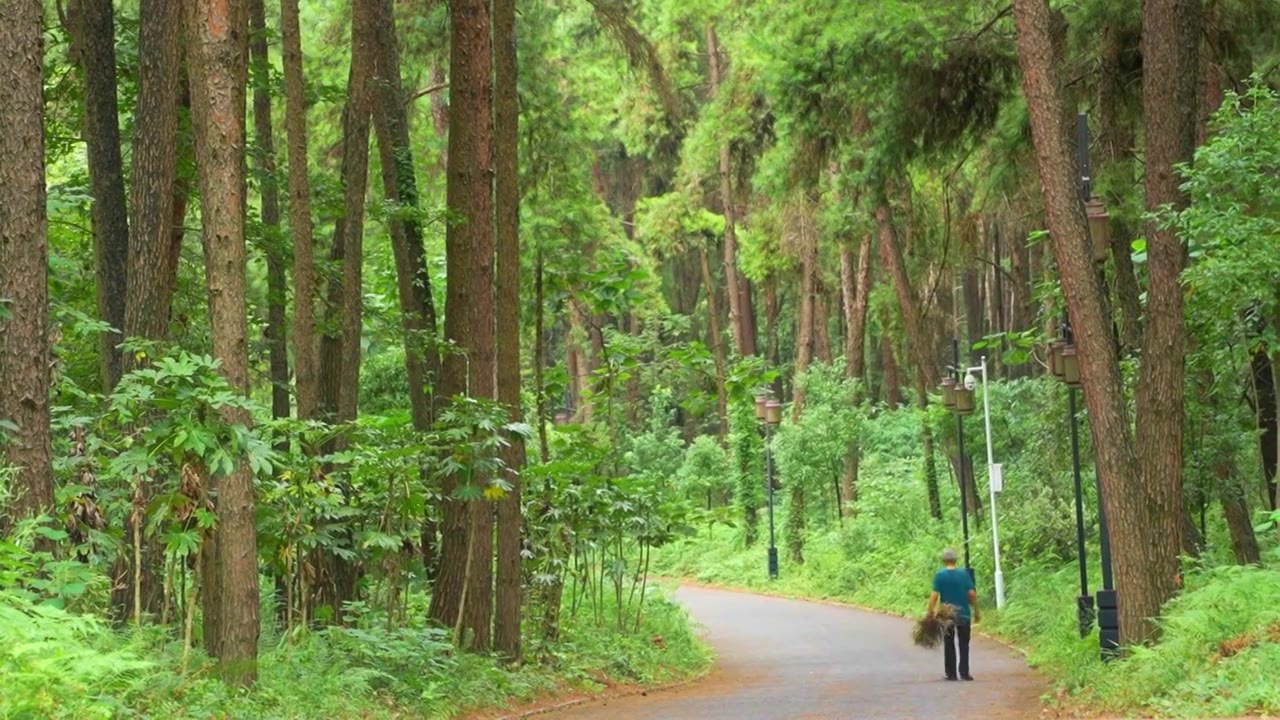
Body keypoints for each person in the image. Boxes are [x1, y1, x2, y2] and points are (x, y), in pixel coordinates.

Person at [926, 547, 980, 681]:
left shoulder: (940, 575)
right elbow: (972, 594)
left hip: (946, 615)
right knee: (964, 643)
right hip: (964, 614)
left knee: (949, 643)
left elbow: (934, 596)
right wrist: (976, 610)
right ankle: (965, 673)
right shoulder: (964, 574)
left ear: (943, 560)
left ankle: (951, 674)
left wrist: (930, 612)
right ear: (955, 560)